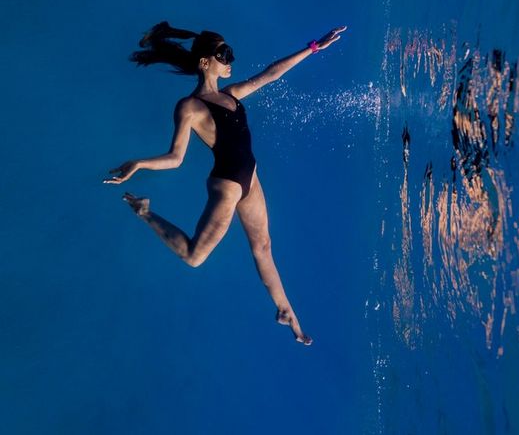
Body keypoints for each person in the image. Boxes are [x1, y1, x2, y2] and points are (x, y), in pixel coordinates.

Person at [104, 21, 347, 346]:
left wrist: (314, 47)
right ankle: (145, 212)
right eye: (224, 54)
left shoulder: (231, 94)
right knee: (193, 256)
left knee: (263, 248)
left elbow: (271, 74)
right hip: (228, 184)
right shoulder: (189, 107)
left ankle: (287, 313)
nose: (230, 59)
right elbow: (176, 157)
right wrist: (138, 163)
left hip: (251, 181)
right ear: (205, 62)